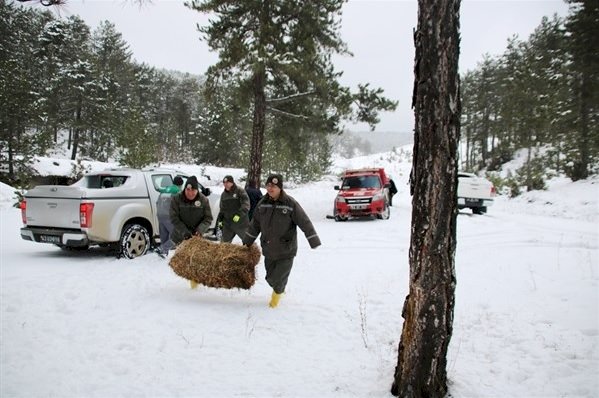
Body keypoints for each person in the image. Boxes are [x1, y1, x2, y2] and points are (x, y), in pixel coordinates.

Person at [242, 174, 321, 308]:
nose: (270, 188)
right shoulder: (262, 203)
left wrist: (313, 240)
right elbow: (255, 224)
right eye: (268, 185)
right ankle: (279, 288)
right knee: (270, 278)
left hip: (286, 249)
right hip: (268, 248)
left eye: (274, 186)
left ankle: (275, 299)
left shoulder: (290, 204)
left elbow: (304, 221)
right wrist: (247, 241)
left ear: (280, 188)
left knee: (278, 279)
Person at [217, 175, 250, 243]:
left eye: (227, 182)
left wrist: (239, 215)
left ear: (232, 183)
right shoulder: (223, 195)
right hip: (228, 224)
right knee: (224, 245)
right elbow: (222, 208)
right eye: (224, 183)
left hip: (241, 223)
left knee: (248, 242)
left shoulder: (240, 191)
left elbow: (246, 204)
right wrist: (220, 219)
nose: (226, 184)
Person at [155, 175, 184, 255]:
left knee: (164, 236)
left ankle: (163, 253)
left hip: (160, 215)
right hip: (169, 216)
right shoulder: (177, 191)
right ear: (180, 184)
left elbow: (157, 203)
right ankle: (162, 249)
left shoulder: (164, 190)